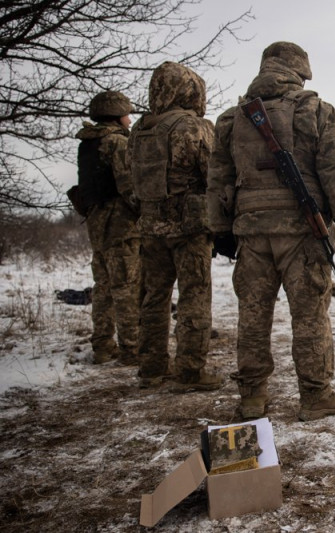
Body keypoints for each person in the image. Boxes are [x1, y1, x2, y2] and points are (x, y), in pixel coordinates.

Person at [208, 42, 335, 421]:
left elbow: (218, 179)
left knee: (253, 315)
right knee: (309, 315)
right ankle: (315, 396)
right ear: (300, 72)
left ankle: (252, 398)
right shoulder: (316, 110)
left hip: (250, 232)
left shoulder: (232, 118)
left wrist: (219, 229)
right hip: (301, 232)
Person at [128, 61, 222, 393]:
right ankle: (190, 371)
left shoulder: (139, 130)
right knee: (194, 295)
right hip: (189, 228)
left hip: (150, 228)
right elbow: (213, 175)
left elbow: (130, 180)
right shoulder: (194, 127)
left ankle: (151, 368)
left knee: (153, 298)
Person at [74, 91, 141, 365]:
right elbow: (128, 187)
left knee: (103, 287)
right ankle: (132, 349)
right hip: (120, 225)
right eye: (126, 115)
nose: (129, 120)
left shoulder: (88, 144)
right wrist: (145, 212)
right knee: (127, 287)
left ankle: (102, 346)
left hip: (97, 223)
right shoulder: (117, 142)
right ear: (116, 115)